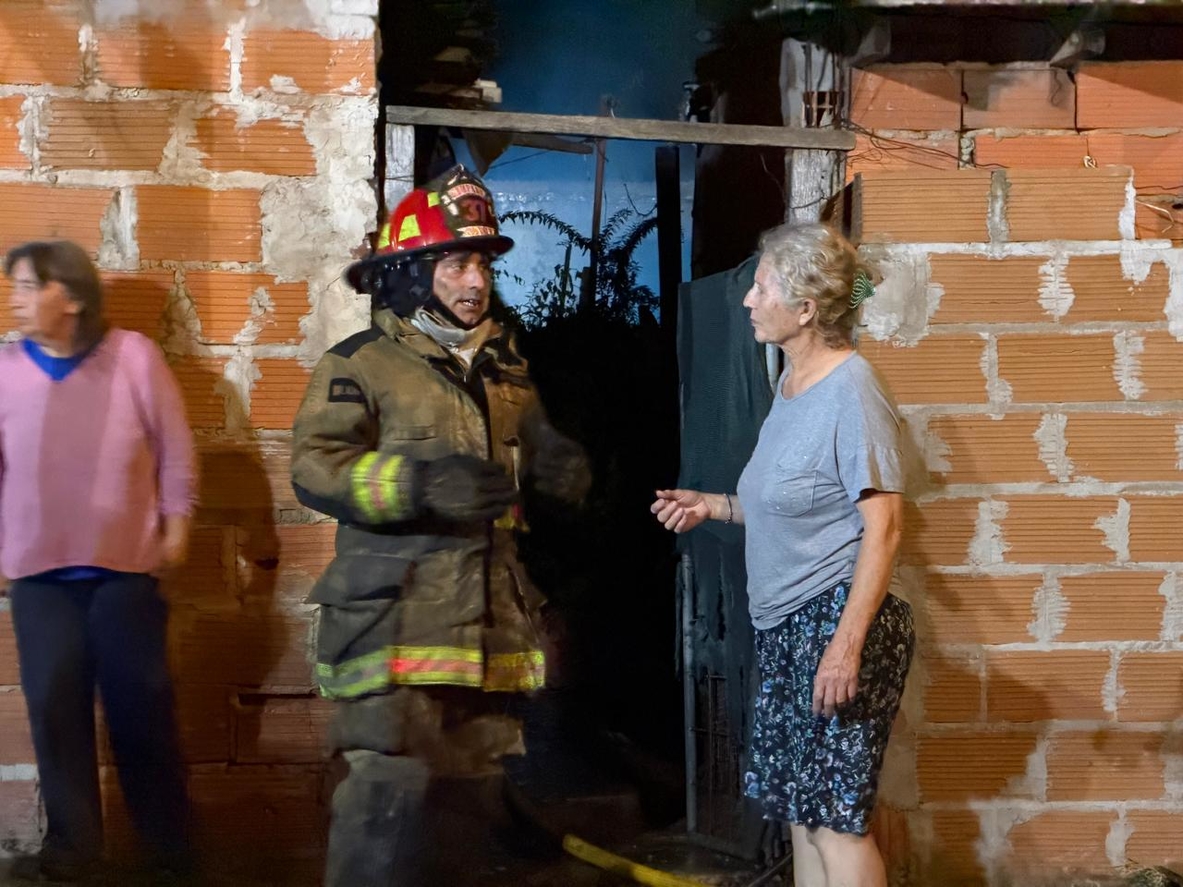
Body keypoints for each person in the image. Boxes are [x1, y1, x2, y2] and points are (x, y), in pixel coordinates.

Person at [290, 165, 590, 887]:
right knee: (385, 796)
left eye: (482, 264)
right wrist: (417, 485)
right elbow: (316, 467)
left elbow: (538, 457)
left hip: (487, 627)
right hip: (395, 624)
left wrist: (562, 471)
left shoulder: (508, 372)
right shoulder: (361, 365)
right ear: (410, 273)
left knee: (468, 805)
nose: (475, 281)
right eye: (456, 263)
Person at [651, 223, 914, 887]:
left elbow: (883, 526)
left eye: (761, 287)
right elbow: (789, 503)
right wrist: (713, 506)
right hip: (786, 626)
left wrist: (845, 648)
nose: (748, 299)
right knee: (802, 812)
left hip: (835, 623)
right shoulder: (794, 387)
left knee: (835, 821)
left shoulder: (851, 390)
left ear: (803, 309)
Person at [0, 241, 196, 883]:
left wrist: (177, 526)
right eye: (15, 286)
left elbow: (175, 449)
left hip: (124, 574)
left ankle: (167, 853)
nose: (15, 300)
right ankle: (74, 852)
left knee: (142, 711)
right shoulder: (5, 369)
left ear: (72, 297)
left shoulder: (132, 356)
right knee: (55, 710)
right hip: (39, 579)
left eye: (29, 286)